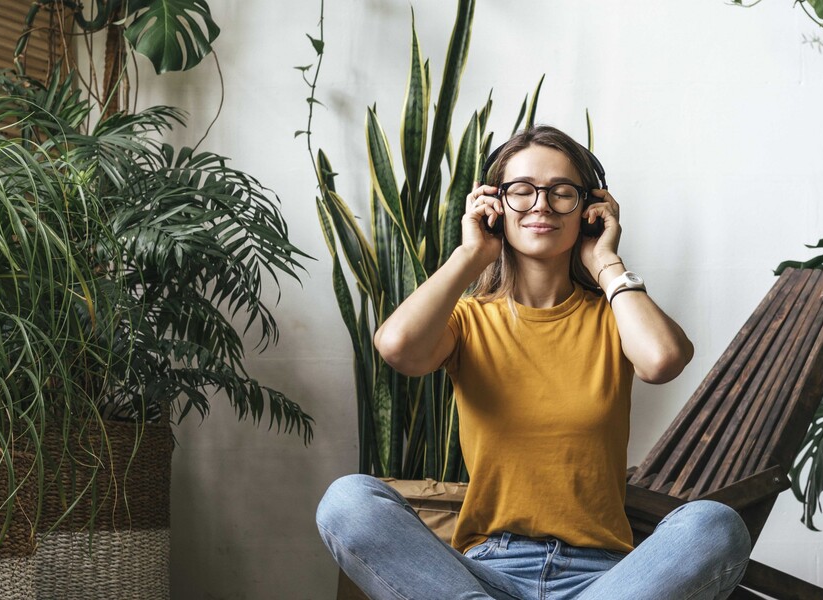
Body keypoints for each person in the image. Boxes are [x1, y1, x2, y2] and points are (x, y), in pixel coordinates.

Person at [316, 126, 751, 599]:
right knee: (348, 500)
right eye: (521, 191)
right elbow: (398, 348)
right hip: (485, 573)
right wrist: (470, 254)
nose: (541, 204)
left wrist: (606, 261)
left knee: (715, 524)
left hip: (605, 581)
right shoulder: (467, 322)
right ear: (494, 206)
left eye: (562, 192)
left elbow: (662, 360)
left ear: (589, 210)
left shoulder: (616, 316)